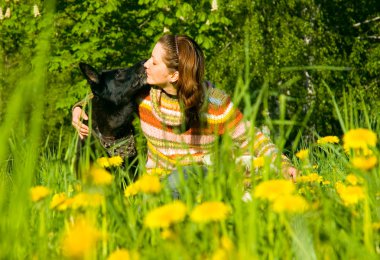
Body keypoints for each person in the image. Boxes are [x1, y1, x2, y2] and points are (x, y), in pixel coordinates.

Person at [72, 34, 297, 183]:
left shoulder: (214, 103)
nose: (145, 64)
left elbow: (252, 137)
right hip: (156, 185)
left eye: (154, 61)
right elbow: (106, 98)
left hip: (201, 180)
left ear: (174, 75)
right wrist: (78, 108)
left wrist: (283, 164)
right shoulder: (144, 97)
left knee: (181, 177)